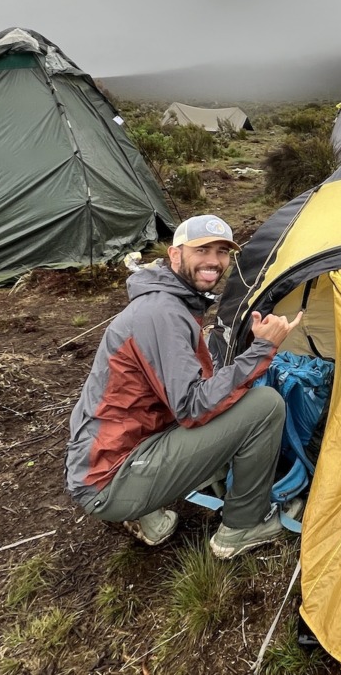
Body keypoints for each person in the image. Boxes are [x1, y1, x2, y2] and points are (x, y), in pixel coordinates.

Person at [64, 214, 303, 558]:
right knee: (264, 406)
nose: (214, 261)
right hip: (109, 480)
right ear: (175, 255)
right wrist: (262, 350)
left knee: (230, 399)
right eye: (202, 249)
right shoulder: (162, 313)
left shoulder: (168, 301)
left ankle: (143, 513)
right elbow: (192, 408)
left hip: (101, 459)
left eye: (222, 252)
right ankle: (242, 527)